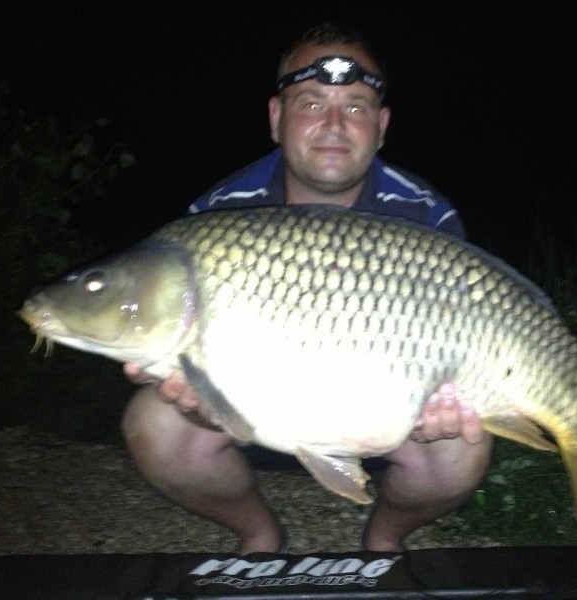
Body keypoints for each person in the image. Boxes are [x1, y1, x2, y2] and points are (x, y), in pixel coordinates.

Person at [121, 22, 493, 554]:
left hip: (384, 412)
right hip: (252, 413)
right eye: (312, 104)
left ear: (381, 126)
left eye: (357, 107)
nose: (335, 125)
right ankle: (258, 533)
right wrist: (198, 398)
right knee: (155, 425)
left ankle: (384, 539)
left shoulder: (426, 217)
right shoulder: (220, 215)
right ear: (277, 117)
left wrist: (446, 403)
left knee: (460, 452)